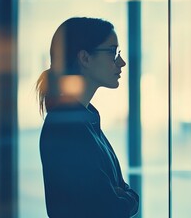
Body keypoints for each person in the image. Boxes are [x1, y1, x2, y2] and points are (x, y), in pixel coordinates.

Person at [36, 17, 139, 218]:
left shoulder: (85, 120)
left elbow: (114, 198)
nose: (121, 61)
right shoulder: (67, 127)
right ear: (85, 58)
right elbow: (111, 209)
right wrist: (128, 197)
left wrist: (121, 194)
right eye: (112, 52)